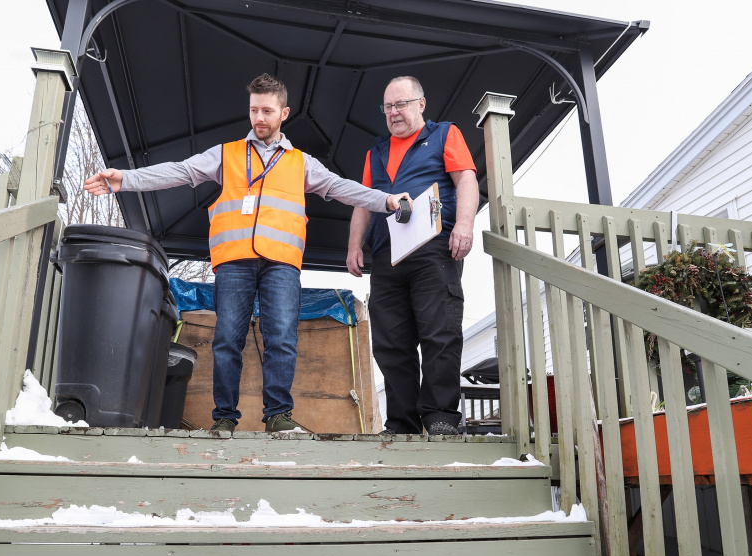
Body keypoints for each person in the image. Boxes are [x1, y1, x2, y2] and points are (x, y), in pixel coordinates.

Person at [85, 73, 409, 434]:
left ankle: (278, 416)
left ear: (284, 113)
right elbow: (179, 171)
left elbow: (342, 188)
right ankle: (224, 417)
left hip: (282, 264)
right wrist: (126, 180)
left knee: (282, 338)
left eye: (267, 111)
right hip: (234, 261)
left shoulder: (302, 162)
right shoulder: (227, 154)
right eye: (254, 109)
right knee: (227, 339)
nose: (259, 118)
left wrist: (385, 200)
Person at [346, 76, 479, 435]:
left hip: (434, 247)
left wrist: (463, 226)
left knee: (440, 332)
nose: (394, 113)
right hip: (387, 256)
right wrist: (354, 245)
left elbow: (466, 179)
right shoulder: (375, 153)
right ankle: (401, 423)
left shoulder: (444, 135)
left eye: (401, 104)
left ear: (421, 104)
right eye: (388, 107)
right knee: (391, 341)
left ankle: (439, 418)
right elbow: (362, 202)